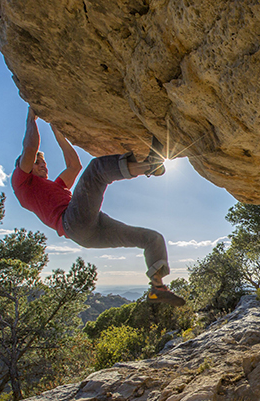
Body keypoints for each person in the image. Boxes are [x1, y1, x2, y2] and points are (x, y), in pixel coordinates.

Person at [12, 106, 184, 305]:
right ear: (25, 166)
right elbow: (29, 148)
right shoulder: (22, 182)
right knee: (97, 169)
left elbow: (74, 166)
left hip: (88, 230)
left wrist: (57, 132)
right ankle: (150, 165)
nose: (43, 165)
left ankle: (157, 288)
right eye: (37, 163)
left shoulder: (53, 187)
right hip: (73, 223)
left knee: (151, 238)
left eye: (44, 162)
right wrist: (31, 119)